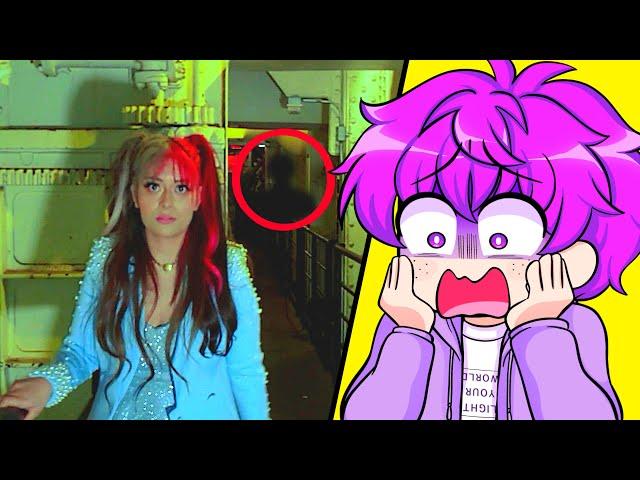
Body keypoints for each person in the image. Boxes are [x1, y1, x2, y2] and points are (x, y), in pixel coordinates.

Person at [333, 60, 640, 420]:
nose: (470, 268)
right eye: (434, 237)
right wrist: (409, 333)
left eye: (504, 238)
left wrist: (539, 328)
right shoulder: (410, 324)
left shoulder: (575, 326)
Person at [0, 132, 270, 420]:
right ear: (134, 195)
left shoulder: (228, 267)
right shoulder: (107, 260)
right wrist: (47, 384)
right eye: (153, 186)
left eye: (181, 188)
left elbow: (245, 371)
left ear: (197, 198)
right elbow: (81, 351)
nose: (166, 202)